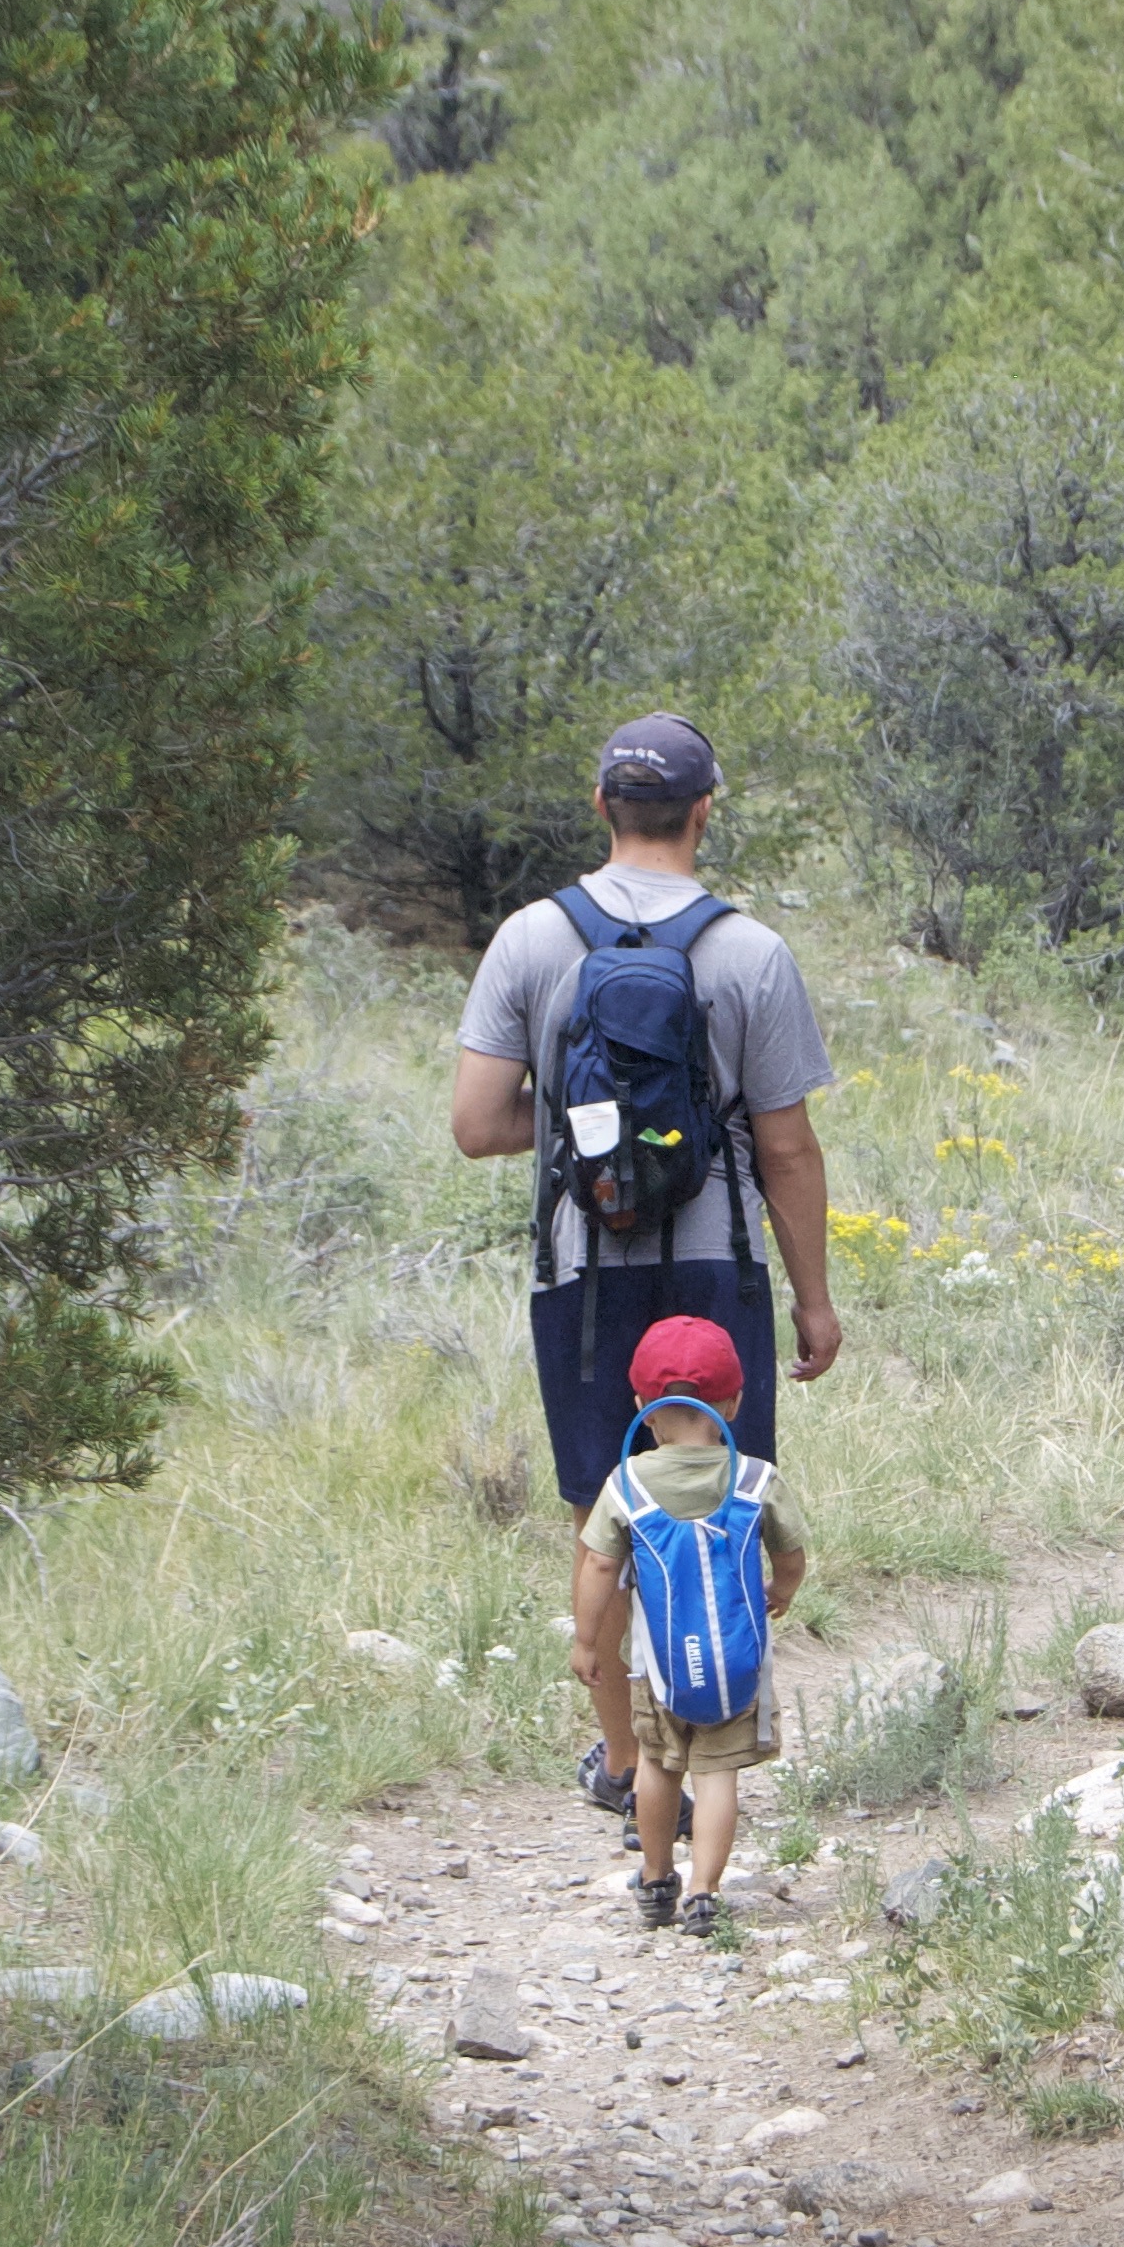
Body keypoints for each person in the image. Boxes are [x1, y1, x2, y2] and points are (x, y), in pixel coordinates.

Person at [450, 711, 840, 1837]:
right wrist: (812, 1296)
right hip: (715, 1268)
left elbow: (477, 1124)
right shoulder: (749, 952)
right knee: (714, 1505)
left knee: (604, 1511)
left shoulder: (529, 938)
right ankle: (710, 1746)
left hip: (581, 1272)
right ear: (705, 808)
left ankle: (626, 1760)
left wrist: (593, 1137)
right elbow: (785, 1147)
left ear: (599, 807)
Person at [571, 1313, 804, 1933]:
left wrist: (589, 1639)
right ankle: (704, 1889)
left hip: (659, 1668)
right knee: (717, 1774)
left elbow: (598, 1565)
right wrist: (782, 1587)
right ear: (733, 1402)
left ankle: (654, 1880)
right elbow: (791, 1554)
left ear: (644, 1408)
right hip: (737, 1664)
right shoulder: (755, 1478)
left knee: (658, 1765)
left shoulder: (628, 1485)